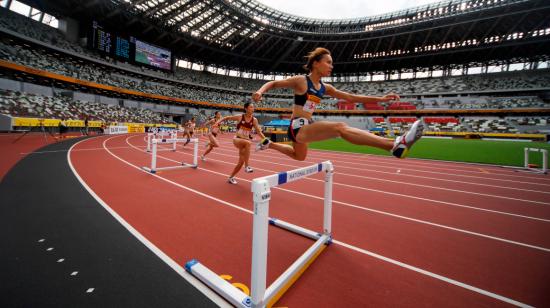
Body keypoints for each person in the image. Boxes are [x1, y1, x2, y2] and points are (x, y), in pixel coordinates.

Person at [252, 47, 424, 160]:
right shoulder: (301, 81)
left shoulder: (326, 87)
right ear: (316, 63)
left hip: (306, 126)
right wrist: (260, 91)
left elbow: (351, 98)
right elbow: (274, 83)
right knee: (340, 127)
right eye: (328, 62)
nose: (331, 66)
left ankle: (270, 144)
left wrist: (380, 99)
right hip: (297, 126)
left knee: (299, 157)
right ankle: (394, 146)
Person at [215, 102, 266, 184]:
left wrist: (266, 139)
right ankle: (247, 166)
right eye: (251, 107)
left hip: (245, 143)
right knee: (248, 143)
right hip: (237, 140)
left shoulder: (254, 120)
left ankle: (230, 177)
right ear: (246, 108)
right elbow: (227, 117)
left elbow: (259, 132)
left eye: (253, 107)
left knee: (240, 162)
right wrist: (218, 122)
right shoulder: (240, 117)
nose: (253, 109)